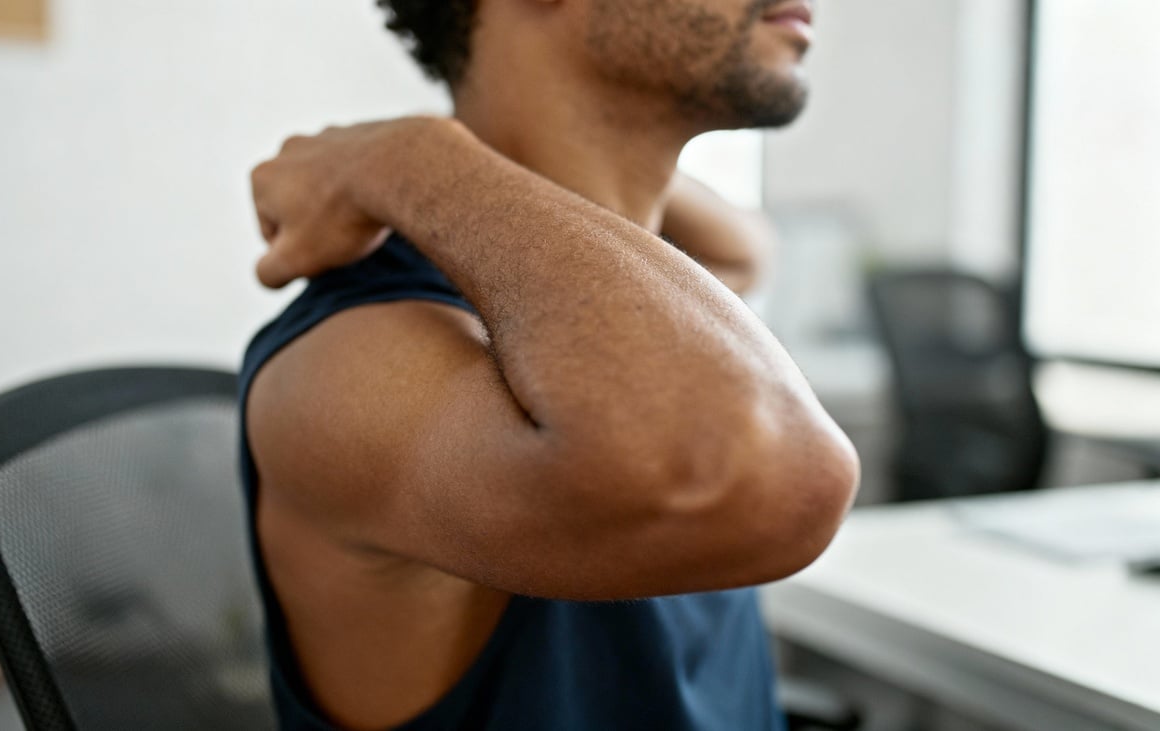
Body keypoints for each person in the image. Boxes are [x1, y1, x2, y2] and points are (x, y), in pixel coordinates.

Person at [240, 0, 857, 728]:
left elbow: (744, 250)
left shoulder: (663, 298)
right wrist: (410, 158)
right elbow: (781, 481)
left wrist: (402, 161)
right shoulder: (359, 351)